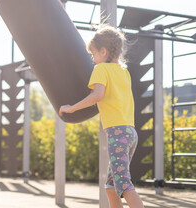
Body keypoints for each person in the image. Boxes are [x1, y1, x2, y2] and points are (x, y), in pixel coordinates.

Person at [59, 25, 144, 208]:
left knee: (123, 183)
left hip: (118, 134)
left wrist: (72, 108)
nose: (92, 58)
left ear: (103, 51)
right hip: (130, 133)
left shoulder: (100, 70)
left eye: (93, 54)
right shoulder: (123, 72)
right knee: (111, 187)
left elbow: (97, 96)